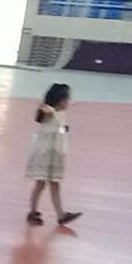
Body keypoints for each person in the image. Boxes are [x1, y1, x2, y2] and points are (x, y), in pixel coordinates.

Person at [26, 83, 81, 227]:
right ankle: (33, 212)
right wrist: (51, 113)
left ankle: (61, 215)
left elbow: (59, 130)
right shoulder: (49, 112)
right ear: (60, 100)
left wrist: (64, 129)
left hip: (54, 155)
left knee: (55, 184)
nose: (68, 102)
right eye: (67, 99)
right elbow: (48, 120)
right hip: (45, 154)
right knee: (41, 183)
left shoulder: (59, 114)